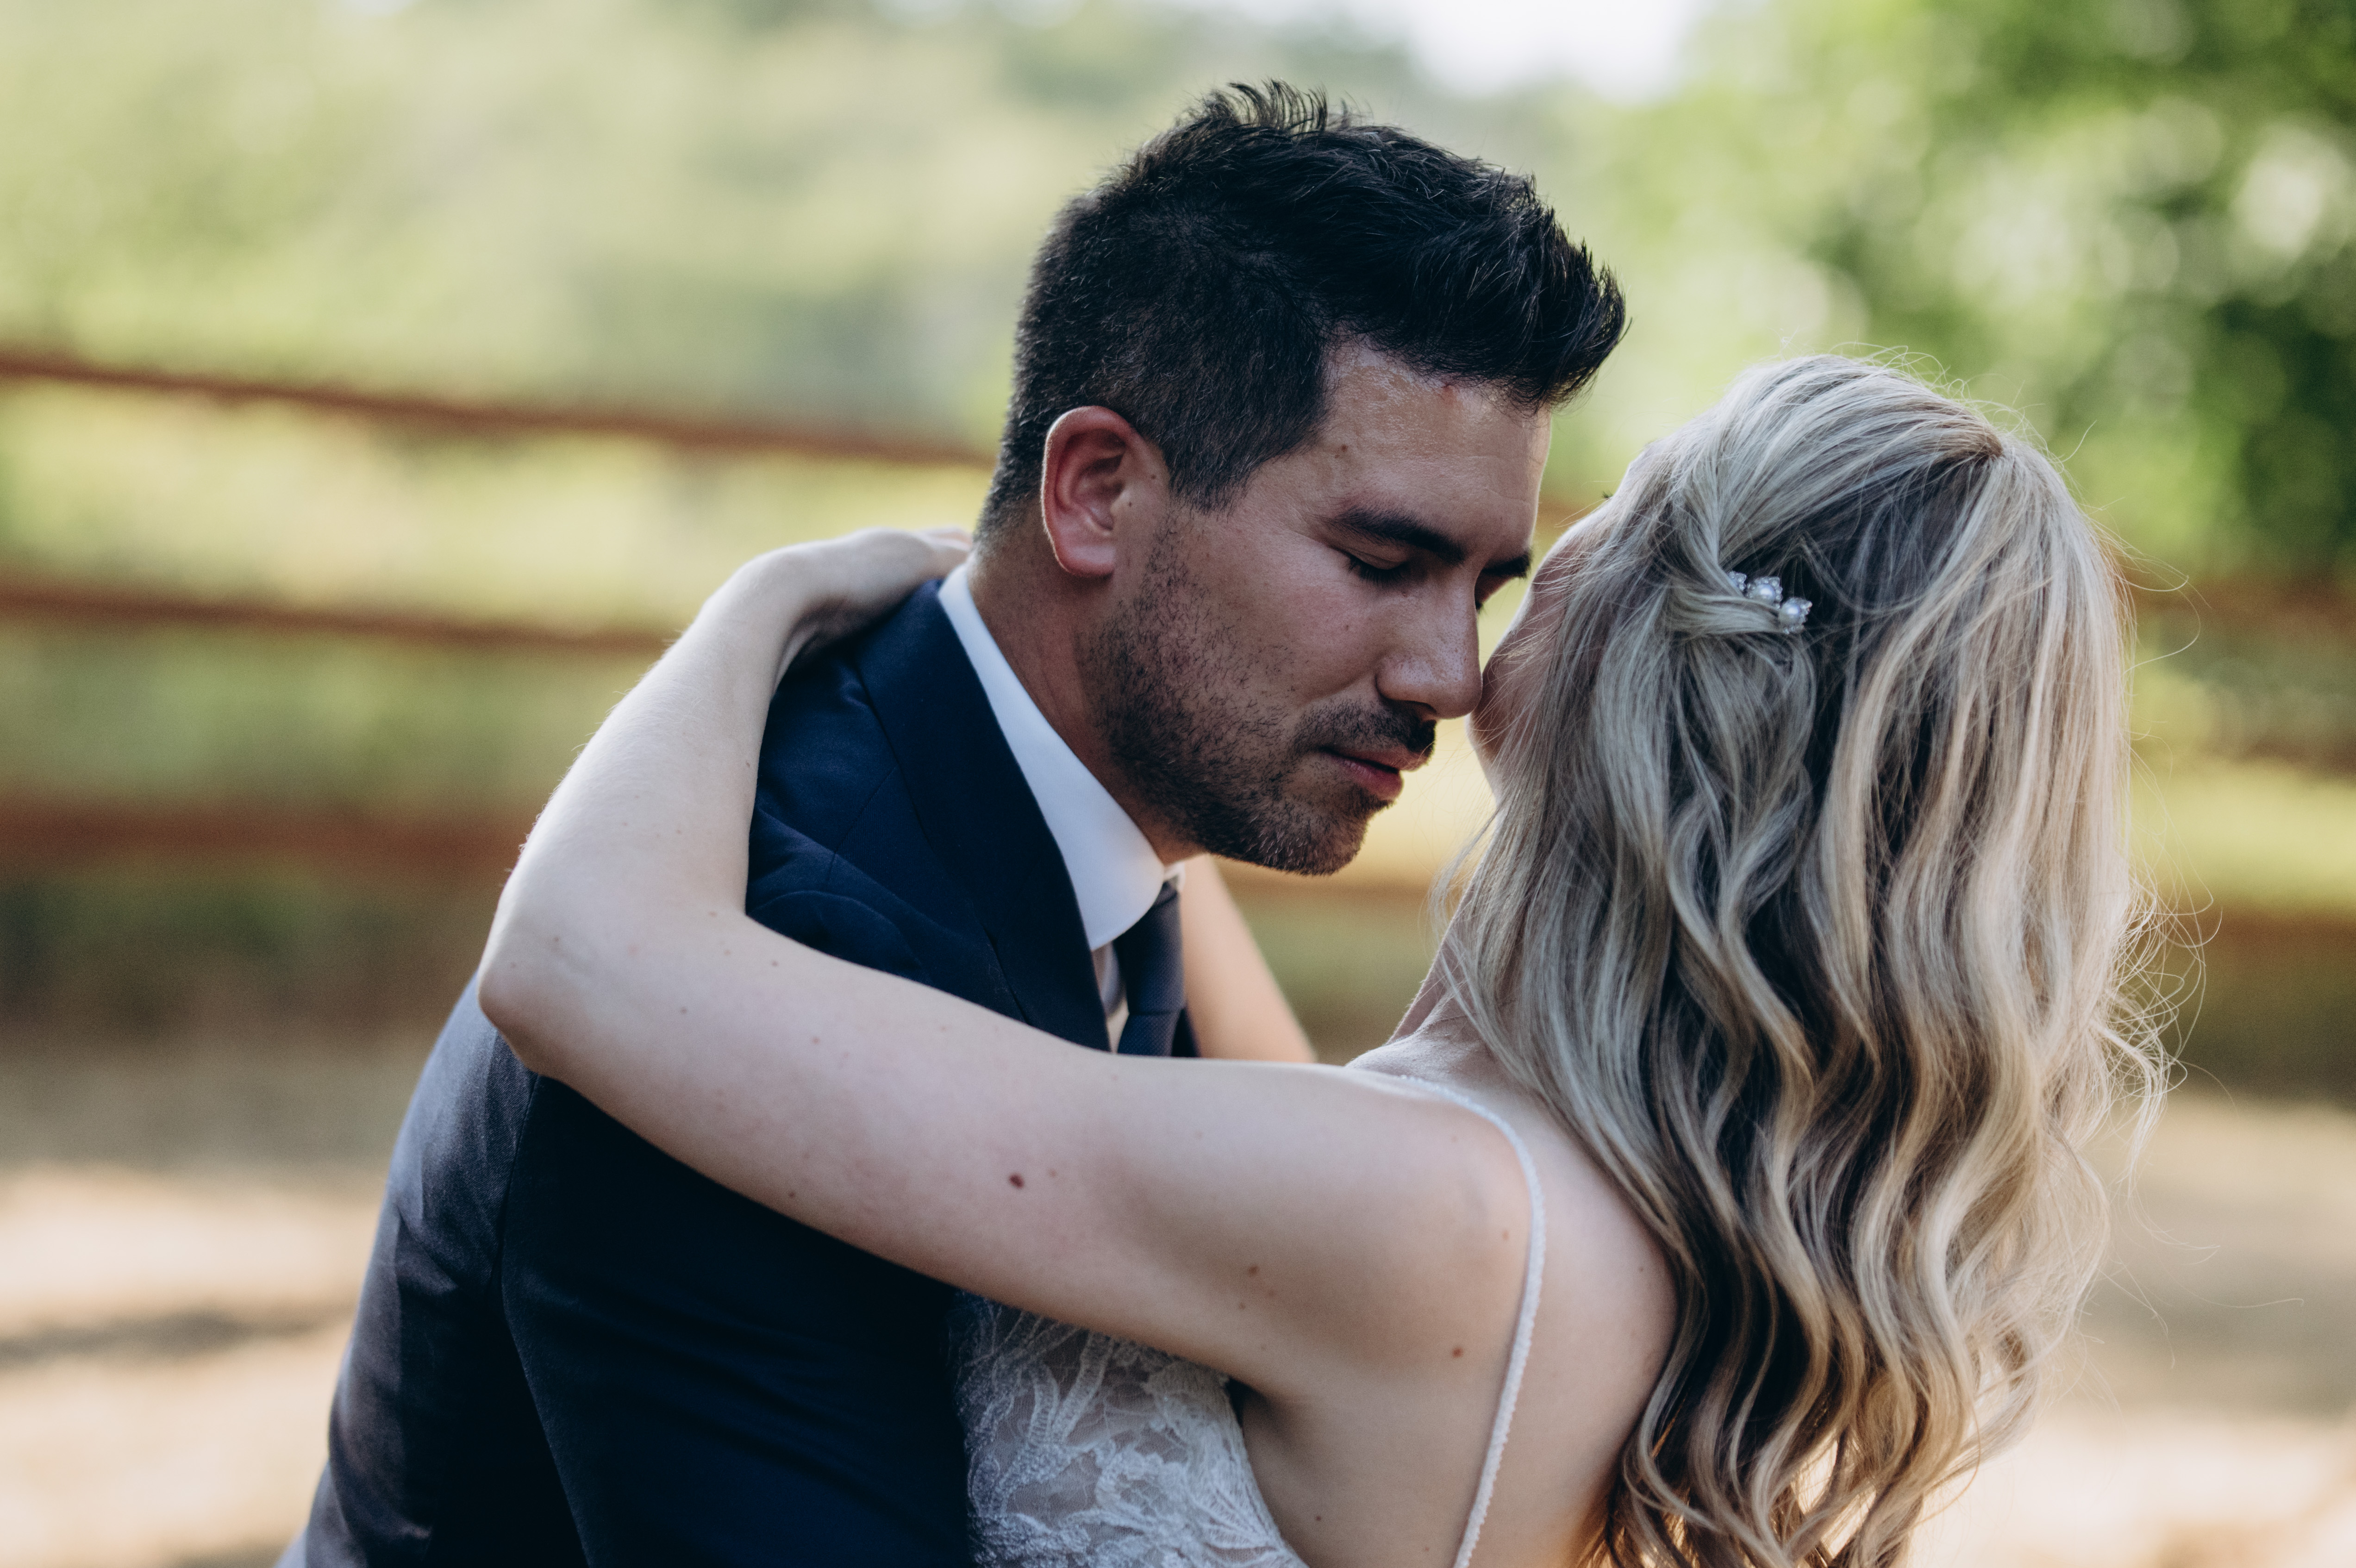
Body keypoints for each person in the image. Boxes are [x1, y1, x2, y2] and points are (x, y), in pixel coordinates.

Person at [480, 354, 2165, 1567]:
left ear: (1663, 638)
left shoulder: (1415, 1214)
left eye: (1621, 502)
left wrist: (775, 598)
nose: (1517, 579)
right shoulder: (1588, 1187)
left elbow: (578, 962)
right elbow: (1223, 1005)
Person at [283, 84, 1625, 1566]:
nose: (1448, 674)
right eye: (1380, 560)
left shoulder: (1110, 831)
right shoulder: (767, 961)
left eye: (1485, 587)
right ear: (1095, 492)